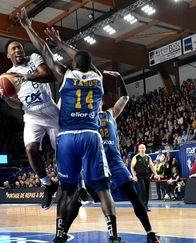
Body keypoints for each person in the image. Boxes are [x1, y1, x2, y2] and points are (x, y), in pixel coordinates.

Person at [16, 8, 120, 242]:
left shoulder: (65, 76)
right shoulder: (98, 78)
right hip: (91, 136)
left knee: (66, 190)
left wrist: (29, 28)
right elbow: (86, 60)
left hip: (68, 137)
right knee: (103, 190)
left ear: (74, 64)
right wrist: (63, 43)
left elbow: (43, 50)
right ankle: (113, 235)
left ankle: (60, 233)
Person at [59, 69, 160, 243]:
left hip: (114, 162)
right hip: (96, 163)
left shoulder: (110, 114)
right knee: (77, 201)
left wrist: (120, 78)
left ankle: (150, 232)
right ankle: (62, 234)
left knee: (134, 197)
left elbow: (125, 98)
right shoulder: (85, 118)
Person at [0, 35, 59, 210]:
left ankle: (79, 185)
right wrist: (6, 99)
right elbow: (17, 104)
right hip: (30, 114)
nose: (18, 50)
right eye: (13, 49)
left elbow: (49, 76)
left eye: (19, 47)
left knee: (64, 149)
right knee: (31, 149)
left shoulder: (34, 59)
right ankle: (48, 184)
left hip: (50, 109)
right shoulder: (7, 76)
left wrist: (26, 77)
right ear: (8, 55)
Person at [130, 144, 160, 211]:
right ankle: (142, 206)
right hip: (139, 176)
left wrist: (156, 174)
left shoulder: (148, 157)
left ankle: (145, 206)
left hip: (147, 176)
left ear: (145, 149)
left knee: (146, 191)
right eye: (140, 148)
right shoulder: (136, 157)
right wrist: (134, 176)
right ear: (139, 149)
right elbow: (132, 167)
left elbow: (152, 166)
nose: (142, 149)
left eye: (143, 148)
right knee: (143, 190)